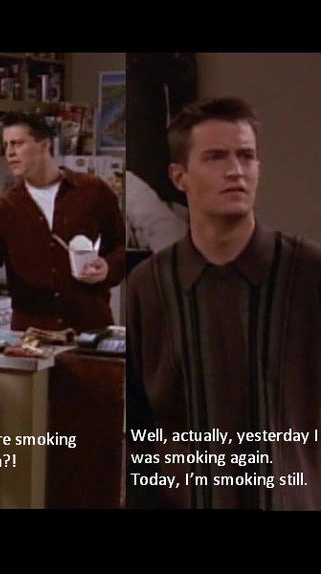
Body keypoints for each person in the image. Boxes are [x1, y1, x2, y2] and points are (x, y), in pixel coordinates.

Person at [126, 97, 321, 509]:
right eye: (215, 157)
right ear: (179, 176)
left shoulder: (307, 273)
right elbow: (138, 426)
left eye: (246, 156)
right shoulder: (150, 286)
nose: (236, 170)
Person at [0, 112, 125, 332]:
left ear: (45, 145)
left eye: (17, 143)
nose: (10, 153)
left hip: (89, 329)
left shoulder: (92, 191)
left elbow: (121, 247)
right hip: (32, 337)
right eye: (6, 145)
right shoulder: (4, 208)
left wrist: (107, 267)